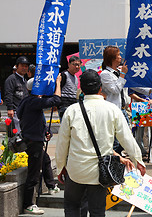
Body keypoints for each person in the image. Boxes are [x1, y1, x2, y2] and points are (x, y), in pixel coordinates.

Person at [56, 69, 146, 216]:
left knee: (72, 206)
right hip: (100, 171)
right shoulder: (112, 109)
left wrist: (60, 167)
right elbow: (126, 138)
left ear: (82, 88)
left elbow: (62, 144)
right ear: (100, 88)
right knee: (97, 211)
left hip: (75, 169)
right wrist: (138, 161)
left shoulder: (72, 110)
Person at [17, 76, 62, 215]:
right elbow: (57, 100)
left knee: (46, 160)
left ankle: (50, 185)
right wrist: (58, 84)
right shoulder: (33, 101)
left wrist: (46, 132)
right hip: (34, 142)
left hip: (34, 139)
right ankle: (28, 204)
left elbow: (36, 120)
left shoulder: (28, 101)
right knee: (33, 174)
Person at [4, 56, 30, 130]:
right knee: (17, 133)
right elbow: (8, 93)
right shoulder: (11, 79)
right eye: (22, 66)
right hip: (15, 111)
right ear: (16, 66)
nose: (24, 68)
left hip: (24, 111)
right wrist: (10, 108)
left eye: (26, 66)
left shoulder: (24, 80)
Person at [58, 55, 81, 120]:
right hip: (64, 105)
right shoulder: (64, 75)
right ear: (69, 64)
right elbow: (58, 89)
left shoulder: (76, 78)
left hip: (73, 104)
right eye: (74, 64)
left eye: (78, 65)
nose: (77, 67)